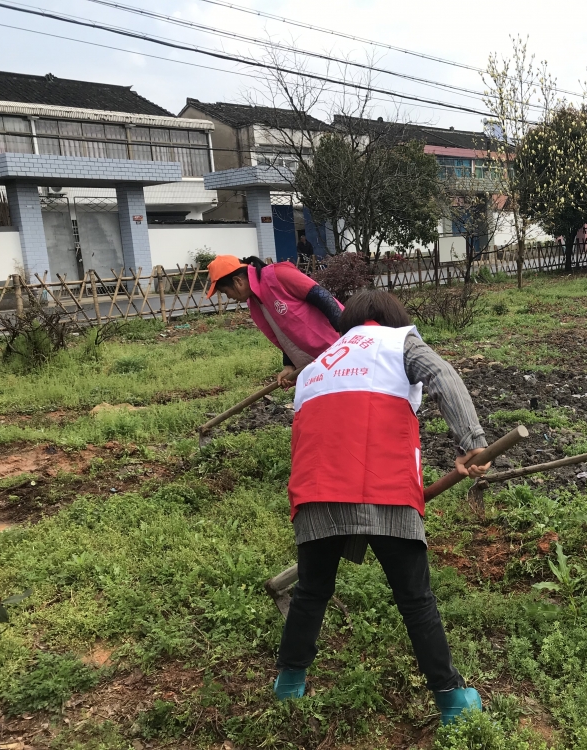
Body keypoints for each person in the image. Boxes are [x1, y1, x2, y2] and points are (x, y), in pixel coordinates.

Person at [273, 289, 489, 726]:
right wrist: (473, 444)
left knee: (311, 591)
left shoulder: (315, 366)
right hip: (385, 485)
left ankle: (289, 684)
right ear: (392, 317)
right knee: (415, 599)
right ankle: (450, 701)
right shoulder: (398, 342)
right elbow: (443, 377)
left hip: (315, 489)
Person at [206, 255, 341, 387]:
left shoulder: (278, 275)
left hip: (338, 349)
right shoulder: (254, 303)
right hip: (317, 362)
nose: (228, 297)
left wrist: (345, 334)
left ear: (237, 281)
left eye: (225, 292)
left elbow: (321, 295)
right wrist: (289, 364)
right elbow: (284, 332)